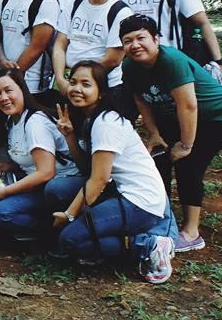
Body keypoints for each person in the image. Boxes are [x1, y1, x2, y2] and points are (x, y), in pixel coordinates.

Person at [119, 14, 222, 253]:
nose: (135, 45)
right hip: (176, 115)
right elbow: (141, 100)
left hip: (218, 115)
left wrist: (186, 145)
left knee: (189, 164)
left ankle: (191, 232)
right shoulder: (130, 66)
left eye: (141, 38)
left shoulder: (172, 61)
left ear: (156, 39)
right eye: (128, 41)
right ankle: (160, 217)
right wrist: (154, 134)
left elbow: (188, 106)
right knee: (159, 158)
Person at [52, 61, 177, 283]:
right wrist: (69, 136)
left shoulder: (106, 122)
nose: (77, 89)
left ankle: (149, 244)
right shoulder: (90, 119)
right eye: (73, 82)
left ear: (101, 92)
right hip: (121, 192)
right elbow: (88, 170)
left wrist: (69, 215)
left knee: (69, 239)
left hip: (140, 200)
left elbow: (98, 179)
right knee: (79, 240)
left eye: (86, 84)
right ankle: (128, 237)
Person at [0, 68, 80, 238]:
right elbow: (30, 159)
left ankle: (56, 231)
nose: (3, 97)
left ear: (22, 90)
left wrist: (5, 191)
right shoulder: (11, 120)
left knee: (4, 213)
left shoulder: (35, 122)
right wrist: (5, 166)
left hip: (60, 183)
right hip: (36, 183)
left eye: (8, 90)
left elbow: (46, 172)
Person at [52, 0, 133, 92]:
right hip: (68, 83)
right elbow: (60, 45)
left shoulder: (121, 12)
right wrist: (60, 79)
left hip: (103, 86)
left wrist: (79, 80)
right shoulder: (74, 5)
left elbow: (113, 59)